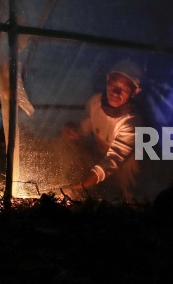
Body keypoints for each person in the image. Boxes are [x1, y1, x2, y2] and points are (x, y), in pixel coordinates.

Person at [61, 60, 143, 199]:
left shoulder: (130, 122)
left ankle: (127, 202)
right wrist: (72, 131)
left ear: (135, 91)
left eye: (124, 88)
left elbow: (111, 162)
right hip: (99, 158)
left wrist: (78, 186)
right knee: (62, 143)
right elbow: (83, 129)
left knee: (123, 197)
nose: (116, 92)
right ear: (107, 79)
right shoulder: (96, 102)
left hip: (122, 170)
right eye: (113, 84)